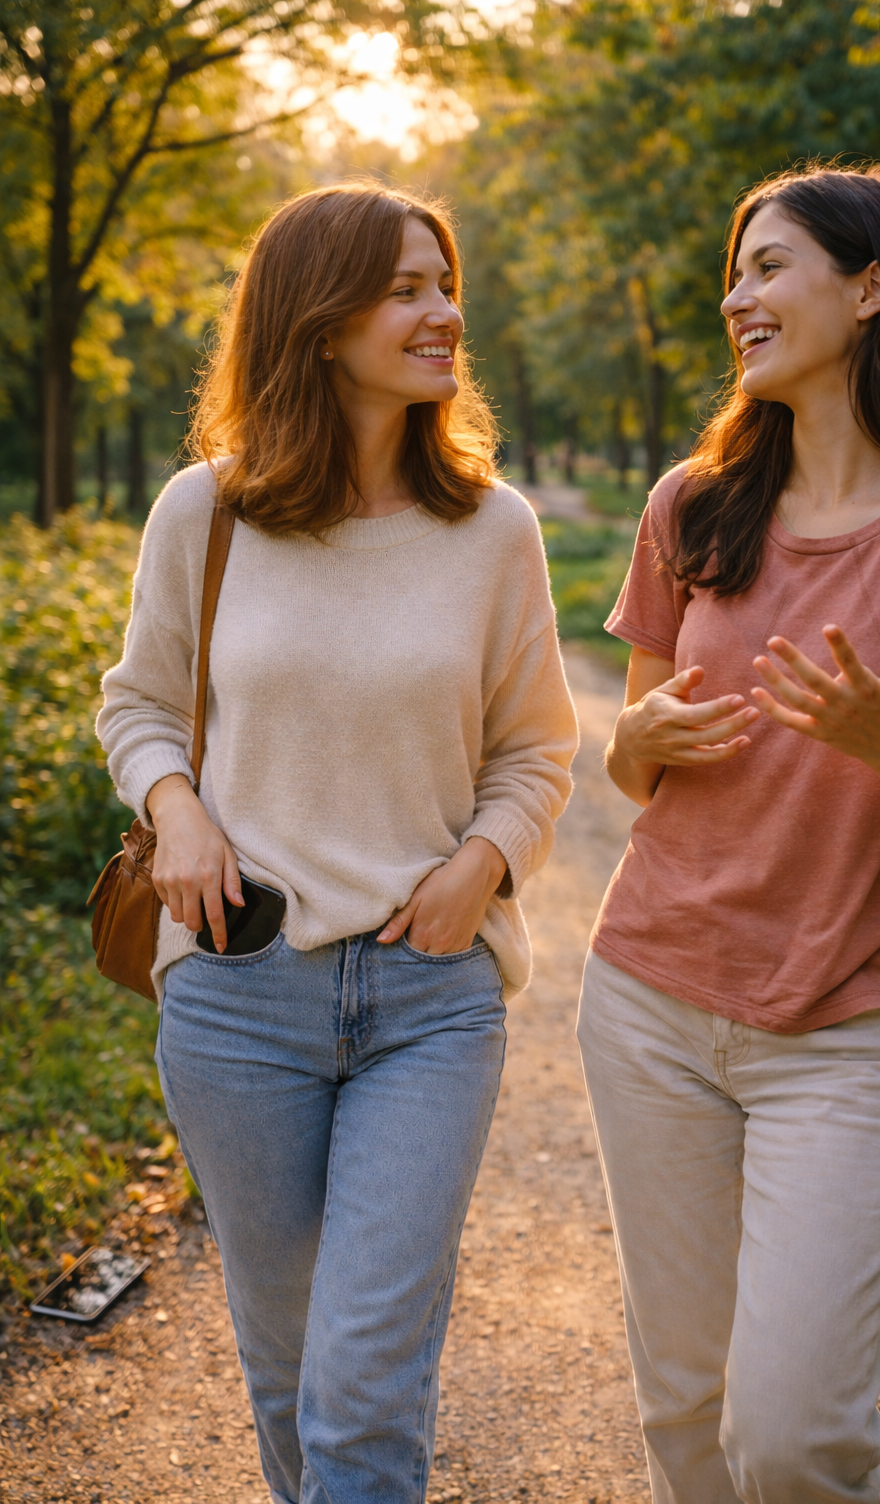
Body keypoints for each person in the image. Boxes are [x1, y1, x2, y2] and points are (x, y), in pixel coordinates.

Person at [97, 181, 577, 1504]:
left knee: (364, 1380)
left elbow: (537, 748)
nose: (445, 312)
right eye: (406, 288)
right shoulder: (208, 512)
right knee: (286, 1367)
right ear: (318, 322)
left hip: (431, 999)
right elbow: (137, 705)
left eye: (445, 281)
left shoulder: (495, 530)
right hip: (237, 995)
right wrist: (177, 808)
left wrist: (482, 866)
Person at [577, 163, 880, 1504]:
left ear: (871, 286)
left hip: (853, 1025)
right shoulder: (692, 506)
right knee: (686, 1410)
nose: (738, 297)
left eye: (769, 267)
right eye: (737, 271)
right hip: (651, 998)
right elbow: (635, 766)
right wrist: (631, 743)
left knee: (796, 1438)